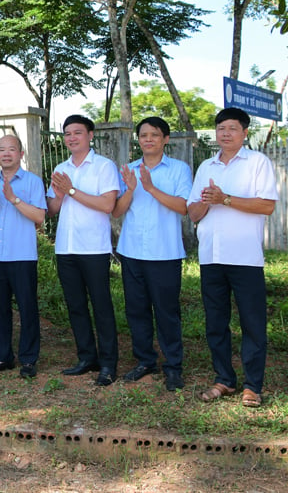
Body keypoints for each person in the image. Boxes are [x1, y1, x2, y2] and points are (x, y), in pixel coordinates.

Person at [189, 107, 278, 408]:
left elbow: (266, 205)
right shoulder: (206, 166)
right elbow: (193, 212)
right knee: (216, 322)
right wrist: (207, 203)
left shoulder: (257, 162)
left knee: (252, 323)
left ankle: (253, 386)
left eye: (232, 129)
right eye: (220, 129)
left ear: (244, 133)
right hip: (211, 256)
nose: (225, 134)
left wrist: (225, 198)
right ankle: (224, 380)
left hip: (245, 257)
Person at [113, 117, 192, 392]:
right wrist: (133, 189)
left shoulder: (179, 170)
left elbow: (183, 207)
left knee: (167, 312)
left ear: (165, 139)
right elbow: (117, 211)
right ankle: (145, 360)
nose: (148, 139)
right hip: (132, 251)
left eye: (154, 135)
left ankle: (173, 367)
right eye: (144, 135)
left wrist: (151, 188)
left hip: (165, 252)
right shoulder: (129, 170)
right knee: (136, 310)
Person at [46, 114, 120, 386]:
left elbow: (107, 205)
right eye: (67, 134)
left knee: (101, 306)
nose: (72, 138)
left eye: (77, 132)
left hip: (94, 248)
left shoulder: (103, 166)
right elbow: (52, 210)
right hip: (66, 247)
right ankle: (87, 357)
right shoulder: (60, 167)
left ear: (90, 135)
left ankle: (109, 363)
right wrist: (61, 194)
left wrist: (72, 190)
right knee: (76, 305)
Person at [0, 134, 46, 379]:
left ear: (20, 154)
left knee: (27, 308)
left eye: (11, 149)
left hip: (22, 256)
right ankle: (3, 357)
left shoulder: (33, 182)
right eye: (2, 149)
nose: (6, 153)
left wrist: (13, 199)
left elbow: (39, 217)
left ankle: (28, 359)